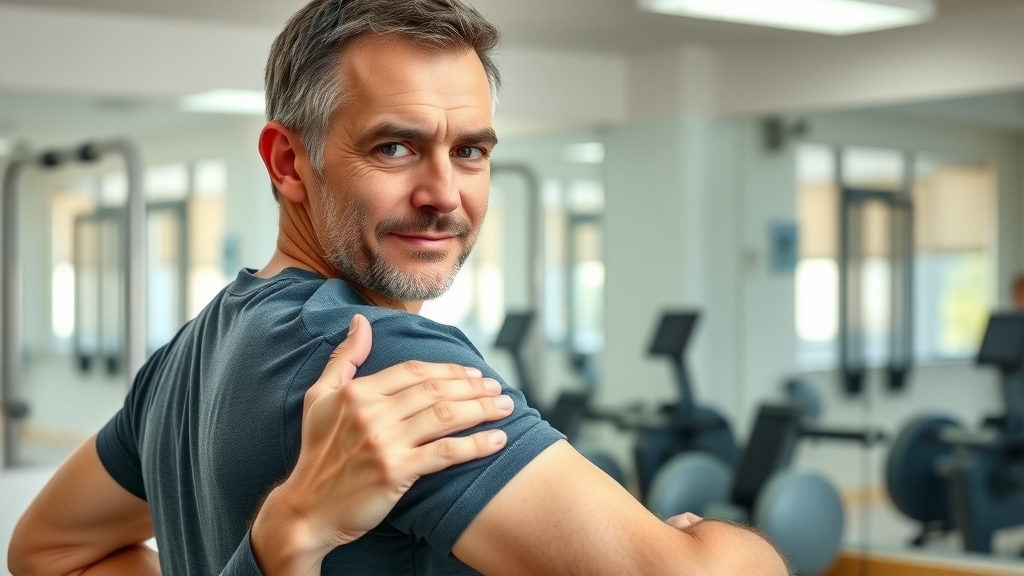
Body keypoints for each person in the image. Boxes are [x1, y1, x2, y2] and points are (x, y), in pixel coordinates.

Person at [10, 0, 790, 574]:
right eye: (395, 147)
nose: (445, 194)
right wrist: (726, 546)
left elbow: (48, 551)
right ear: (288, 163)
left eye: (472, 152)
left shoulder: (197, 344)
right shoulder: (379, 359)